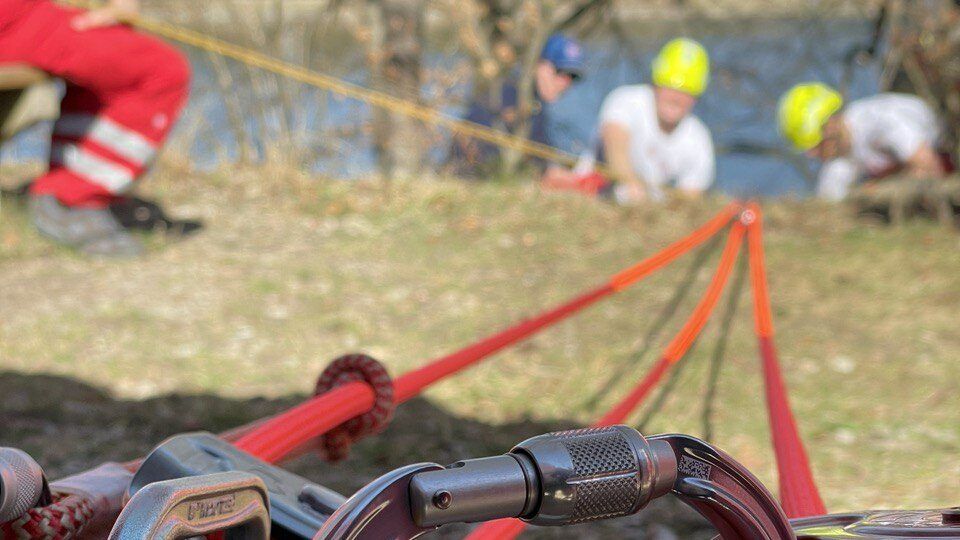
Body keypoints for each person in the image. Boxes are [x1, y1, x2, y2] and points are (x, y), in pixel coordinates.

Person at [0, 0, 190, 256]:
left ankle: (67, 186)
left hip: (25, 15)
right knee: (161, 70)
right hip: (16, 18)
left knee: (115, 64)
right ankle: (70, 198)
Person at [550, 38, 715, 204]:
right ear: (655, 84)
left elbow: (689, 198)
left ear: (696, 98)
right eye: (669, 87)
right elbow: (615, 145)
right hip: (593, 199)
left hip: (647, 217)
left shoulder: (699, 140)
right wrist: (630, 184)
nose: (676, 98)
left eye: (687, 91)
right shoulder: (626, 101)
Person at [778, 83, 950, 201]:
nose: (811, 154)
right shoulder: (839, 161)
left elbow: (930, 167)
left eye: (816, 144)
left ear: (831, 123)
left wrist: (878, 193)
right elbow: (828, 203)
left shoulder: (881, 121)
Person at [447, 34, 585, 180]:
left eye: (572, 77)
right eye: (560, 72)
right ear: (540, 65)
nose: (565, 83)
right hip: (475, 182)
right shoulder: (509, 97)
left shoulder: (534, 104)